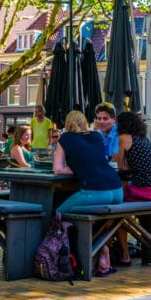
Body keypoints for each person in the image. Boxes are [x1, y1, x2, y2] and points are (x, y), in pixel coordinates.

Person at [54, 111, 123, 276]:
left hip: (95, 191)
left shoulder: (65, 138)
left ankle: (65, 256)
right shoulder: (97, 136)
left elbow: (57, 169)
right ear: (86, 122)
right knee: (97, 219)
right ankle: (101, 251)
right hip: (117, 190)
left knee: (57, 214)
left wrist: (76, 169)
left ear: (67, 122)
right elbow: (100, 160)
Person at [114, 112, 151, 266]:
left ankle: (124, 254)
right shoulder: (144, 139)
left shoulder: (123, 138)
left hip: (141, 191)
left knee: (114, 206)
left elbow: (120, 166)